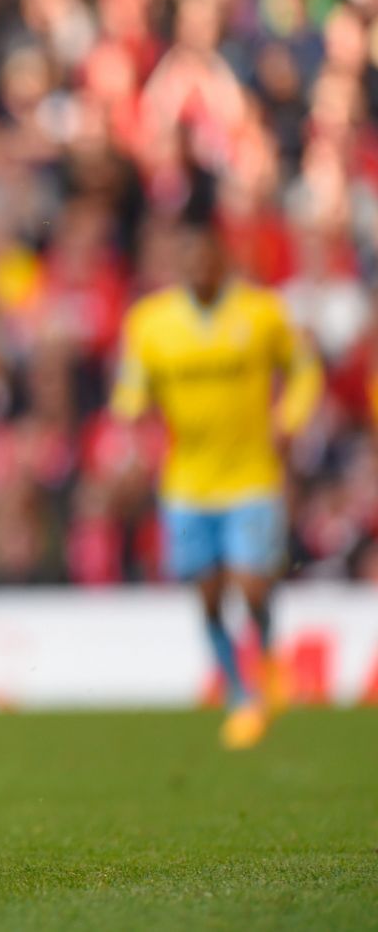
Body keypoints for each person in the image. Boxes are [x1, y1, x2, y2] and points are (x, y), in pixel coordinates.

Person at [111, 208, 321, 750]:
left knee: (250, 584)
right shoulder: (150, 323)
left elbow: (304, 370)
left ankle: (267, 665)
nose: (200, 268)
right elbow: (133, 389)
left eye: (209, 258)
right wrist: (132, 431)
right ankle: (238, 692)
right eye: (190, 260)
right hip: (186, 483)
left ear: (224, 260)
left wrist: (289, 420)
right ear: (179, 265)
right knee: (207, 596)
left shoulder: (263, 313)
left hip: (252, 475)